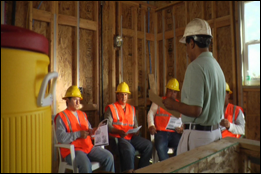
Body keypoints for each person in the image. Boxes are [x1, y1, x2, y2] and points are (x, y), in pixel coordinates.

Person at [162, 18, 226, 155]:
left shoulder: (195, 67)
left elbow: (195, 110)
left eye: (186, 45)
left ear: (191, 43)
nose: (187, 51)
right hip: (215, 134)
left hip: (198, 137)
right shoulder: (217, 67)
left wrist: (172, 104)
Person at [54, 86, 115, 173]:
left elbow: (88, 129)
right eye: (75, 99)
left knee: (109, 157)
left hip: (88, 148)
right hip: (73, 151)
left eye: (79, 99)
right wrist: (78, 134)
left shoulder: (83, 114)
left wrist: (92, 131)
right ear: (67, 100)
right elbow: (61, 137)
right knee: (85, 164)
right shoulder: (61, 116)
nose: (78, 102)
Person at [104, 82, 153, 173]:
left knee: (148, 145)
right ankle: (129, 171)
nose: (124, 97)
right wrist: (119, 131)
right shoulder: (111, 108)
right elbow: (107, 126)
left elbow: (135, 124)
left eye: (125, 94)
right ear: (117, 95)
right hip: (118, 138)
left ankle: (141, 170)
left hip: (131, 137)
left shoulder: (132, 108)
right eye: (121, 94)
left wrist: (136, 130)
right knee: (129, 149)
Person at [147, 78, 183, 161]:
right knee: (160, 146)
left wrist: (182, 128)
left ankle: (175, 167)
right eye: (170, 91)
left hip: (175, 133)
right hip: (161, 133)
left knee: (181, 145)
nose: (172, 94)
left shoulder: (179, 105)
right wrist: (151, 125)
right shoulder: (158, 102)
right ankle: (168, 167)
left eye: (175, 92)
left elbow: (184, 120)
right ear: (167, 91)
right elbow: (150, 114)